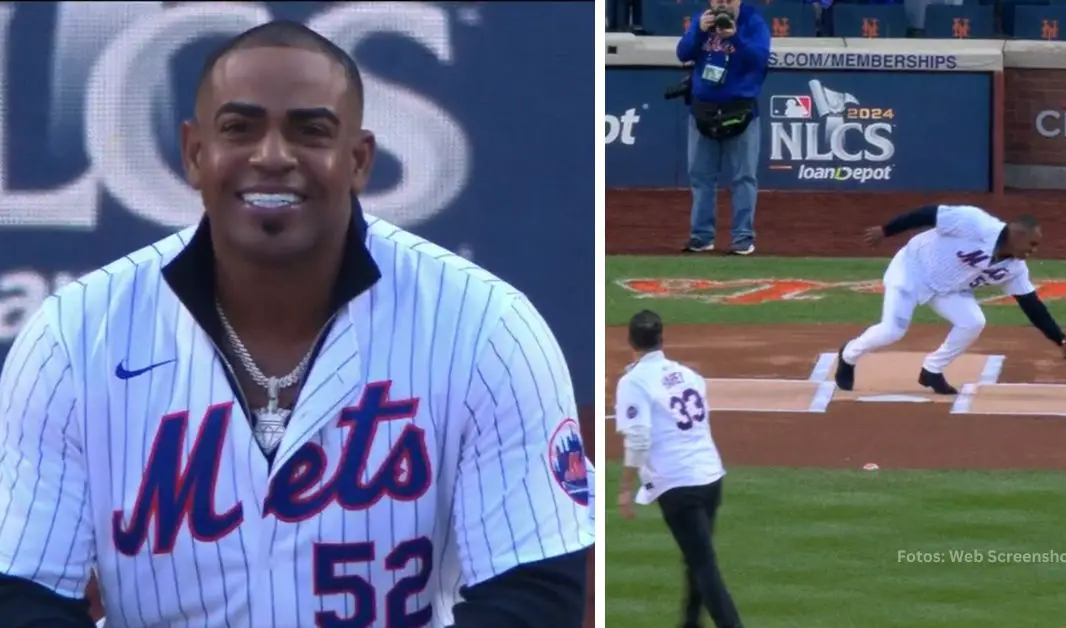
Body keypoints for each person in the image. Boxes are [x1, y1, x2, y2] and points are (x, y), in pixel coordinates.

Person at [0, 20, 593, 628]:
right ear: (194, 154)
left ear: (358, 160)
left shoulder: (487, 328)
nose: (273, 156)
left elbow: (534, 593)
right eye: (239, 128)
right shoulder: (73, 338)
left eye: (310, 131)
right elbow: (22, 595)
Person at [835, 204, 1066, 394]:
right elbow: (929, 213)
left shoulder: (1015, 268)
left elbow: (1031, 305)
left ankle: (932, 370)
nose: (1033, 250)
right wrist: (887, 230)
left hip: (949, 287)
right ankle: (848, 355)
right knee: (892, 330)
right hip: (912, 268)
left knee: (973, 321)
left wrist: (1062, 341)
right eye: (1032, 243)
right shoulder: (975, 223)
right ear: (1016, 234)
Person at [614, 310, 743, 628]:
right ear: (661, 339)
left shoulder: (633, 382)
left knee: (704, 566)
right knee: (696, 560)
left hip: (677, 485)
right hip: (711, 476)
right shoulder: (688, 375)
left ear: (630, 341)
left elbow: (639, 438)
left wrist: (625, 488)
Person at [676, 0, 771, 256]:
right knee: (701, 177)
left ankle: (743, 237)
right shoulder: (702, 19)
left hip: (739, 112)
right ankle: (701, 236)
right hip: (703, 109)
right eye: (718, 0)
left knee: (744, 178)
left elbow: (760, 60)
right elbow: (683, 53)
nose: (722, 4)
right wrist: (698, 30)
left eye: (728, 0)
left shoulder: (753, 22)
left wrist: (735, 37)